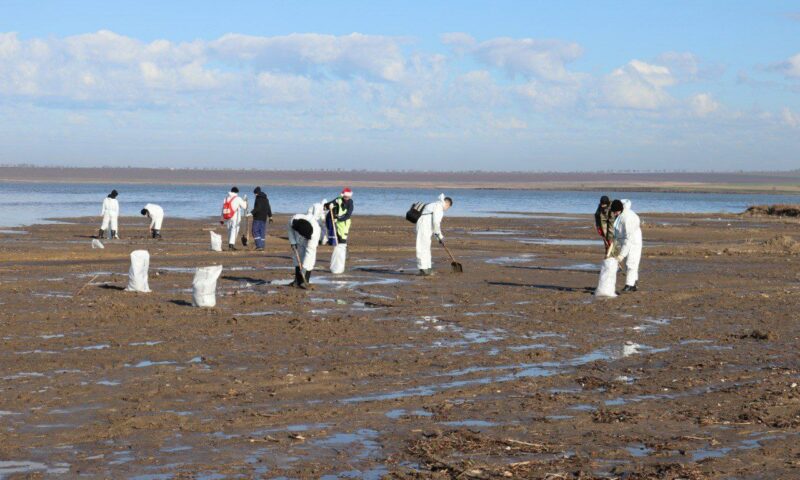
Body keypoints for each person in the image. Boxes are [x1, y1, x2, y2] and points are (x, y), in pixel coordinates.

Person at [287, 202, 325, 288]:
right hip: (299, 238)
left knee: (309, 258)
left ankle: (305, 280)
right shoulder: (293, 220)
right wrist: (293, 242)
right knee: (297, 257)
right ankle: (297, 280)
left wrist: (304, 268)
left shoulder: (315, 231)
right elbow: (290, 230)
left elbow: (310, 253)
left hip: (311, 238)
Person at [415, 194, 452, 276]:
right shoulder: (438, 207)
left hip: (426, 227)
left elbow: (434, 224)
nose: (447, 209)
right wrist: (439, 236)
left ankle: (427, 267)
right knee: (422, 247)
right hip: (423, 226)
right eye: (448, 207)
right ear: (447, 204)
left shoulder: (436, 205)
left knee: (426, 247)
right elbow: (436, 223)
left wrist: (439, 237)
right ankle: (423, 269)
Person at [610, 199, 642, 292]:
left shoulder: (627, 219)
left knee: (631, 263)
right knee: (630, 263)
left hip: (633, 241)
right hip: (624, 239)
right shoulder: (620, 215)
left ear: (620, 210)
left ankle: (629, 285)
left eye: (616, 212)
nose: (615, 214)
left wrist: (621, 255)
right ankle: (634, 283)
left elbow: (628, 239)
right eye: (614, 212)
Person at [324, 187, 354, 274]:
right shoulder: (338, 199)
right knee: (337, 244)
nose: (346, 198)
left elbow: (348, 215)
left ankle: (340, 267)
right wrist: (328, 205)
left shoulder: (350, 202)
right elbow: (326, 206)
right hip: (336, 225)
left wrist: (339, 219)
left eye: (347, 197)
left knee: (342, 243)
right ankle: (335, 266)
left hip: (344, 225)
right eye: (345, 197)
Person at [250, 187, 273, 251]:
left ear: (257, 193)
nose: (254, 195)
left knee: (255, 231)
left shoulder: (258, 198)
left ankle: (259, 246)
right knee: (261, 232)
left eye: (255, 194)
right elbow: (268, 208)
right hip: (264, 218)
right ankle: (262, 246)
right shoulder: (266, 199)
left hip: (257, 218)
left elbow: (258, 207)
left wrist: (251, 213)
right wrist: (270, 217)